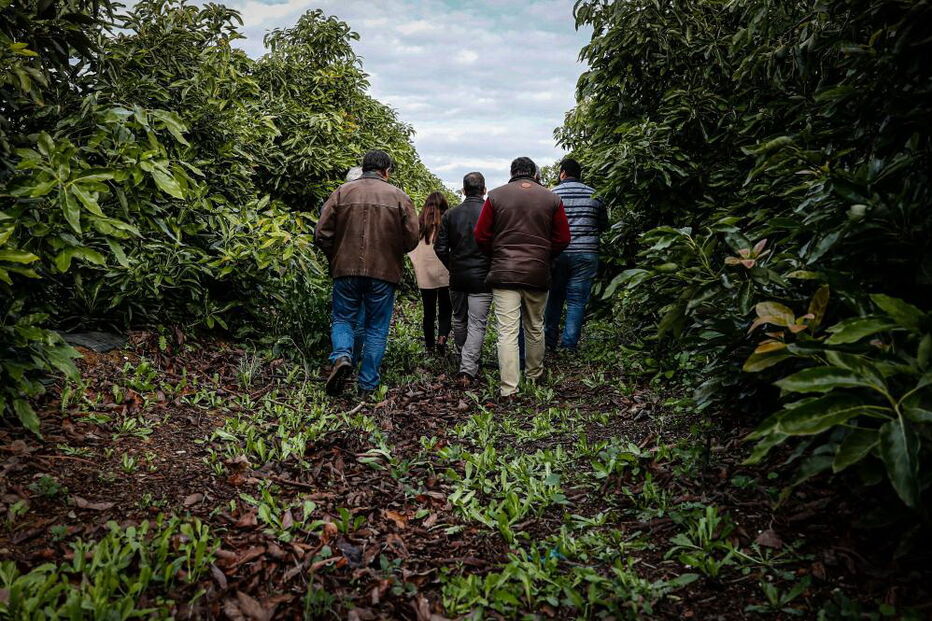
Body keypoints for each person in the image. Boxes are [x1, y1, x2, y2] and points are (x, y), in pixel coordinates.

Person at [315, 150, 419, 397]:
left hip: (345, 269)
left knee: (343, 318)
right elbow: (412, 238)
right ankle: (367, 384)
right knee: (376, 327)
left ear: (364, 168)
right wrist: (393, 251)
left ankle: (342, 355)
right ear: (386, 171)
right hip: (384, 272)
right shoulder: (399, 197)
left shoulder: (342, 192)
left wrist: (336, 254)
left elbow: (322, 233)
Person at [474, 157, 571, 397]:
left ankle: (509, 388)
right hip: (537, 272)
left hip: (504, 273)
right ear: (535, 174)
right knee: (535, 326)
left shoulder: (496, 196)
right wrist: (544, 255)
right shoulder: (551, 198)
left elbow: (481, 235)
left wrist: (497, 254)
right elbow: (563, 238)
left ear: (512, 173)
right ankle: (534, 375)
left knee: (507, 332)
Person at [544, 158, 608, 352]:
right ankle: (569, 345)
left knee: (554, 297)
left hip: (559, 254)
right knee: (577, 300)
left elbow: (545, 226)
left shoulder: (552, 195)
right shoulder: (595, 195)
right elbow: (603, 225)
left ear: (563, 173)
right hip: (586, 254)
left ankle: (549, 341)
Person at [435, 172, 491, 384]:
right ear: (484, 190)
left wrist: (452, 265)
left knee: (460, 319)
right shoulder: (491, 213)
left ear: (464, 190)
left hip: (457, 277)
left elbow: (440, 247)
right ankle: (467, 368)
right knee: (477, 323)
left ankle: (463, 356)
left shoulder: (451, 214)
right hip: (482, 278)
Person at [408, 192, 452, 353]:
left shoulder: (419, 225)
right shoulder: (448, 222)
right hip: (446, 271)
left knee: (429, 312)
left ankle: (429, 346)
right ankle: (442, 337)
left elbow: (410, 246)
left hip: (425, 273)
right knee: (446, 309)